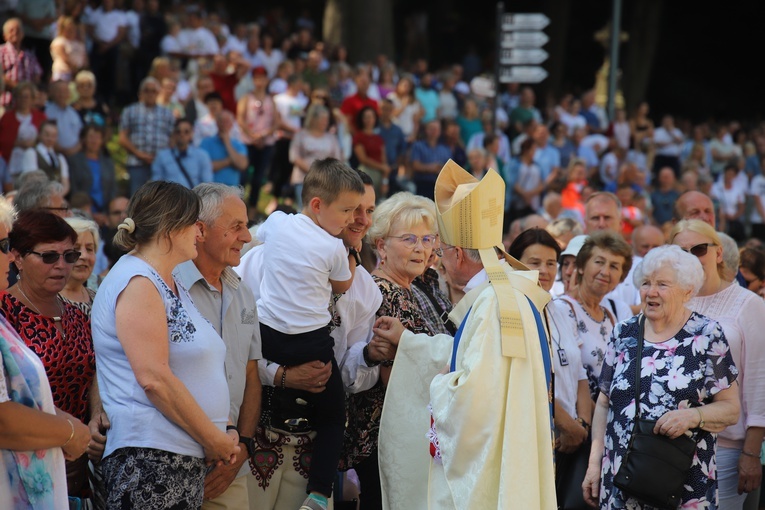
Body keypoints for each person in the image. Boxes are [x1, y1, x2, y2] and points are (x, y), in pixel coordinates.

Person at [374, 160, 556, 509]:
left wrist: (442, 382)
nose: (438, 260)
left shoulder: (493, 304)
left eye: (440, 251)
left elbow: (473, 400)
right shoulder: (512, 293)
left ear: (458, 253)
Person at [238, 170, 382, 510]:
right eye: (351, 209)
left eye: (369, 211)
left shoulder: (366, 290)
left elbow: (350, 377)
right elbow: (231, 348)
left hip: (312, 450)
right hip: (257, 436)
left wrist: (370, 356)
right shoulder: (258, 261)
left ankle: (318, 495)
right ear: (322, 206)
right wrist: (280, 376)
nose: (359, 219)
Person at [92, 181, 239, 508]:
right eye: (196, 225)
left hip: (174, 460)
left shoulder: (164, 279)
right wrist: (213, 438)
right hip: (150, 462)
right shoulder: (138, 281)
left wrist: (223, 428)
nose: (200, 235)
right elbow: (153, 378)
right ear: (171, 229)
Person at [582, 244, 740, 508]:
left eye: (662, 285)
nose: (651, 292)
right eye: (646, 283)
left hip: (684, 483)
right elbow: (603, 403)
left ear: (687, 290)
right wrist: (594, 464)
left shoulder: (707, 335)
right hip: (621, 478)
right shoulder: (624, 333)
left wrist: (692, 416)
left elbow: (731, 408)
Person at [341, 191, 439, 510]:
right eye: (409, 238)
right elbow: (392, 378)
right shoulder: (383, 293)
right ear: (381, 245)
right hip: (384, 440)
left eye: (427, 239)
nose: (420, 248)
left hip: (408, 435)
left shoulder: (410, 291)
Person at [173, 183, 262, 509]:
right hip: (174, 461)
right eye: (236, 227)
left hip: (231, 469)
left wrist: (242, 452)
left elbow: (251, 376)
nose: (247, 237)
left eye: (247, 226)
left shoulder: (243, 292)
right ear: (200, 229)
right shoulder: (165, 286)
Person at [0, 197, 91, 509]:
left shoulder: (78, 315)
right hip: (23, 461)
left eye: (70, 255)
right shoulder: (5, 314)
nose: (62, 265)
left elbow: (92, 376)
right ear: (19, 258)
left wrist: (94, 423)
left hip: (78, 458)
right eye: (50, 255)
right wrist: (66, 433)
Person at [670, 219, 765, 508]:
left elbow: (760, 381)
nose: (691, 258)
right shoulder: (673, 301)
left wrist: (750, 453)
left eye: (699, 249)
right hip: (673, 443)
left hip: (726, 446)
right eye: (681, 252)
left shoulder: (749, 304)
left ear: (718, 253)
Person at [508, 228, 592, 507]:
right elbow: (526, 378)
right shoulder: (512, 312)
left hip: (572, 439)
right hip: (537, 438)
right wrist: (566, 424)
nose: (544, 270)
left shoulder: (558, 308)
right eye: (534, 262)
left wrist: (582, 425)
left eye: (551, 263)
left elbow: (580, 374)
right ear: (513, 263)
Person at [556, 231, 634, 399]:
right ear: (582, 266)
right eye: (599, 262)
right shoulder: (561, 309)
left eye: (614, 266)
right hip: (578, 417)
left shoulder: (611, 316)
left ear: (621, 277)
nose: (605, 272)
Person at [119, 77, 175, 196]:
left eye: (153, 91)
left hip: (161, 164)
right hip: (136, 162)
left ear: (158, 93)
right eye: (146, 90)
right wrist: (139, 154)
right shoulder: (130, 111)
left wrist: (165, 157)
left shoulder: (167, 113)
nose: (150, 94)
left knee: (161, 198)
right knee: (137, 197)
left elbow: (172, 139)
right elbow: (122, 137)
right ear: (140, 93)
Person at [237, 66, 279, 209]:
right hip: (248, 142)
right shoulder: (246, 98)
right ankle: (240, 205)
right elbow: (240, 118)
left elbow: (275, 121)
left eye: (262, 78)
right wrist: (252, 135)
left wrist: (263, 135)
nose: (259, 82)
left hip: (265, 143)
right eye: (256, 78)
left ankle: (253, 208)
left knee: (258, 178)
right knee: (243, 177)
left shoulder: (270, 100)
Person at [288, 104, 343, 208]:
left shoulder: (331, 138)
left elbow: (337, 159)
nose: (325, 122)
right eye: (322, 119)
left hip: (326, 181)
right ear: (313, 119)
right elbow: (294, 156)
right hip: (303, 179)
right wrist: (313, 172)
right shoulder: (301, 135)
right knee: (304, 208)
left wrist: (325, 175)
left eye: (326, 119)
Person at [67, 124, 117, 223]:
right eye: (91, 137)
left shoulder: (108, 162)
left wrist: (108, 213)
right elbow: (74, 188)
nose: (94, 141)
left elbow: (113, 189)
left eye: (97, 137)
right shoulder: (74, 160)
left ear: (102, 141)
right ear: (84, 139)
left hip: (105, 214)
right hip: (81, 212)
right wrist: (88, 212)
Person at [152, 118, 214, 188]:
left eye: (186, 132)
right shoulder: (162, 156)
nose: (182, 134)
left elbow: (207, 184)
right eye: (178, 131)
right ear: (174, 134)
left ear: (191, 134)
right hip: (170, 197)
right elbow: (156, 183)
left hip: (193, 197)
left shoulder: (202, 156)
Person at [59, 216, 99, 315]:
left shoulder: (98, 298)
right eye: (75, 249)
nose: (84, 256)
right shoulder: (47, 301)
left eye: (89, 249)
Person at [0, 18, 43, 108]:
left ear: (23, 34)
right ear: (5, 36)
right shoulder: (1, 52)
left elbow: (37, 75)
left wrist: (29, 91)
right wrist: (19, 88)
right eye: (11, 30)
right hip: (5, 103)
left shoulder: (30, 55)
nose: (15, 32)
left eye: (18, 30)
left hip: (26, 106)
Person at [0, 81, 46, 164]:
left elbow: (47, 137)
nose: (23, 100)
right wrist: (16, 143)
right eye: (19, 96)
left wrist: (34, 143)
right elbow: (2, 140)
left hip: (35, 162)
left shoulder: (41, 117)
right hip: (10, 162)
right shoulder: (7, 117)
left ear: (32, 98)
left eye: (26, 97)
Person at [20, 120, 71, 195]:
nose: (50, 138)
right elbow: (31, 180)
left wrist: (57, 196)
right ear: (39, 134)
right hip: (37, 198)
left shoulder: (60, 157)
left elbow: (65, 183)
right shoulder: (31, 153)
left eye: (53, 136)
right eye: (47, 135)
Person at [353, 105, 391, 200]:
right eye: (366, 117)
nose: (369, 120)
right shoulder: (359, 137)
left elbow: (384, 161)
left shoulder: (379, 139)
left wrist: (385, 181)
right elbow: (363, 159)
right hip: (366, 172)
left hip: (379, 174)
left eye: (371, 117)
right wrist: (382, 167)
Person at [409, 119, 451, 200]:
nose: (434, 131)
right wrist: (431, 168)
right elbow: (415, 165)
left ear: (440, 131)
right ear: (426, 130)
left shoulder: (445, 149)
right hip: (423, 183)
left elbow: (450, 168)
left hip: (441, 186)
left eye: (437, 129)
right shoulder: (418, 145)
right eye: (432, 128)